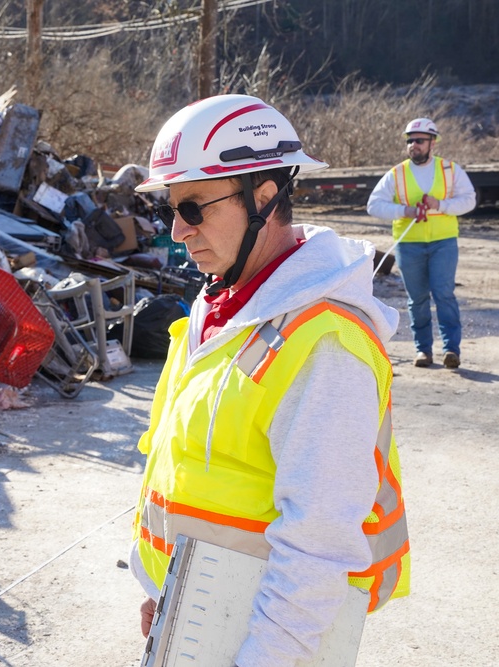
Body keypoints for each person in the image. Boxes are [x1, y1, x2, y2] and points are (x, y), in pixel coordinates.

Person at [129, 94, 410, 666]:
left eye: (195, 208)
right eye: (171, 210)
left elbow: (319, 544)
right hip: (195, 611)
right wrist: (159, 585)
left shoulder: (326, 342)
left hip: (261, 637)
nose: (178, 232)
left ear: (265, 195)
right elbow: (180, 460)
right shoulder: (221, 305)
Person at [366, 118, 476, 368]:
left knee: (444, 294)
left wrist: (442, 205)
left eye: (419, 140)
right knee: (417, 299)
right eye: (410, 141)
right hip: (409, 245)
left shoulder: (450, 170)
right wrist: (404, 210)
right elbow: (373, 205)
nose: (413, 145)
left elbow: (469, 200)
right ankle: (423, 351)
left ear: (432, 143)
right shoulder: (397, 173)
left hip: (443, 243)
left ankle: (451, 350)